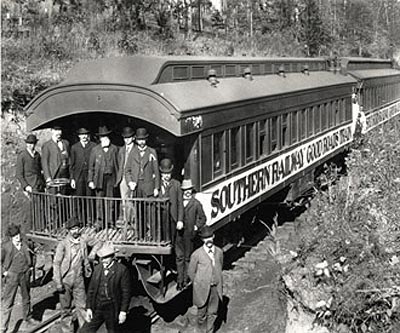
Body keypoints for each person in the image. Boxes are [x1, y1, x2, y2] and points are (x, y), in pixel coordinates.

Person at [53, 217, 101, 333]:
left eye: (77, 228)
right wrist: (58, 282)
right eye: (72, 229)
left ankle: (85, 330)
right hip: (65, 280)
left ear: (80, 229)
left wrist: (92, 253)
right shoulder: (63, 244)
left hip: (79, 278)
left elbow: (98, 242)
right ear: (69, 230)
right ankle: (67, 330)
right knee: (66, 309)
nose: (75, 231)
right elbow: (56, 263)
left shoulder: (83, 239)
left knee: (82, 306)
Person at [80, 243, 131, 333]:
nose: (103, 260)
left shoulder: (122, 270)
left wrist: (123, 312)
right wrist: (89, 308)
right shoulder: (97, 269)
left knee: (112, 331)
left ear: (113, 257)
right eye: (101, 258)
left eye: (106, 258)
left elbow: (126, 293)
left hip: (112, 307)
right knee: (85, 331)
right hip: (98, 306)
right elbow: (91, 290)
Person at [1, 224, 38, 333]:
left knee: (26, 297)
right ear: (11, 237)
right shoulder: (6, 247)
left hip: (24, 274)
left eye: (18, 234)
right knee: (8, 301)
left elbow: (33, 255)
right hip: (12, 276)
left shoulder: (25, 245)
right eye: (15, 236)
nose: (17, 237)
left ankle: (28, 317)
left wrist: (31, 266)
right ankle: (3, 327)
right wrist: (4, 272)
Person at [188, 226, 223, 333]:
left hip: (215, 288)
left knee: (213, 313)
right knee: (201, 314)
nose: (208, 240)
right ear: (202, 240)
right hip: (202, 289)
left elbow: (220, 266)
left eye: (210, 237)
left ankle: (210, 331)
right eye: (205, 238)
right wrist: (199, 284)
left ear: (213, 236)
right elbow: (190, 272)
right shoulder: (196, 254)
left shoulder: (219, 252)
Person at [176, 179, 206, 290]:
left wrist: (196, 226)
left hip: (189, 235)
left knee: (187, 258)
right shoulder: (179, 203)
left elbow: (203, 218)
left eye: (189, 190)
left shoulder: (196, 203)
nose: (187, 192)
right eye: (185, 190)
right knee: (179, 258)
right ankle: (179, 281)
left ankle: (186, 280)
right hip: (179, 235)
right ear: (182, 191)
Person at [88, 126, 119, 226]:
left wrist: (118, 180)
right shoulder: (95, 150)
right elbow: (91, 167)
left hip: (111, 178)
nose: (105, 138)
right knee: (99, 201)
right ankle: (100, 222)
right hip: (99, 179)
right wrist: (90, 180)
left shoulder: (115, 149)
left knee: (111, 201)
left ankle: (110, 222)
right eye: (102, 137)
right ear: (100, 138)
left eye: (106, 136)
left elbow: (118, 165)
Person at [125, 127, 160, 198]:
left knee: (149, 207)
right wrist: (130, 182)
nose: (141, 142)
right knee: (137, 207)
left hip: (148, 186)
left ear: (146, 139)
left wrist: (156, 187)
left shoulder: (152, 152)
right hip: (136, 186)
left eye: (143, 139)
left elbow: (156, 171)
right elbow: (127, 170)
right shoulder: (132, 152)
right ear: (136, 140)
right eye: (139, 139)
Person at [158, 158, 184, 243]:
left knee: (172, 240)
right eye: (165, 173)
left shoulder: (176, 184)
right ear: (161, 174)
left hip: (173, 217)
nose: (166, 176)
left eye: (168, 173)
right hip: (160, 217)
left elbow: (180, 203)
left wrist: (180, 220)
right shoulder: (157, 184)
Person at [41, 126, 70, 194]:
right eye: (56, 130)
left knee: (64, 198)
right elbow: (44, 163)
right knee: (53, 199)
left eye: (59, 130)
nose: (58, 132)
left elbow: (69, 159)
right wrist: (48, 177)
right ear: (52, 131)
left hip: (64, 175)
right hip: (53, 175)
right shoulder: (47, 145)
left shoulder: (66, 143)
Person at [116, 127, 135, 225]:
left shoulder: (136, 149)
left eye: (129, 137)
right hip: (123, 177)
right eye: (125, 138)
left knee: (132, 199)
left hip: (133, 177)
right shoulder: (122, 150)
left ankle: (133, 219)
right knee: (124, 199)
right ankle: (126, 219)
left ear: (133, 138)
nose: (127, 140)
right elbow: (119, 163)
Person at [70, 128, 96, 196]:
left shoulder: (93, 146)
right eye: (82, 134)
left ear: (88, 135)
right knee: (79, 196)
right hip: (78, 176)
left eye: (85, 134)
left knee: (89, 196)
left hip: (89, 175)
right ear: (79, 136)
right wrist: (72, 179)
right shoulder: (74, 147)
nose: (84, 136)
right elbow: (72, 165)